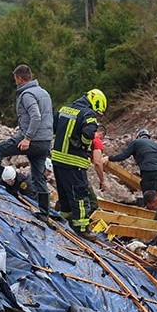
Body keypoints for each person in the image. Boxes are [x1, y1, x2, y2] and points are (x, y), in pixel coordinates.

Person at [0, 65, 54, 219]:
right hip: (45, 141)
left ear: (19, 78)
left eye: (15, 79)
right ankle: (44, 213)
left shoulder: (27, 94)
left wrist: (27, 138)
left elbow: (36, 116)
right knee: (39, 176)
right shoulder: (44, 93)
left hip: (32, 138)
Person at [52, 89, 106, 238]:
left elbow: (54, 127)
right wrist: (82, 144)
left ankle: (65, 217)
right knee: (80, 193)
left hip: (57, 158)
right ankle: (82, 227)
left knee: (64, 192)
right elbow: (88, 133)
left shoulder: (64, 109)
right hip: (74, 160)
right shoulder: (88, 114)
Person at [106, 129, 157, 193]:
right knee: (154, 194)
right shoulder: (156, 145)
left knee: (148, 196)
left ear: (138, 136)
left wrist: (109, 158)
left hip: (149, 171)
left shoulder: (136, 142)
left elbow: (123, 156)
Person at [85, 125, 108, 215]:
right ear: (101, 133)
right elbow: (97, 163)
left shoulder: (84, 138)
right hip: (78, 170)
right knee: (93, 203)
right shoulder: (97, 141)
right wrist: (102, 181)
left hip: (65, 167)